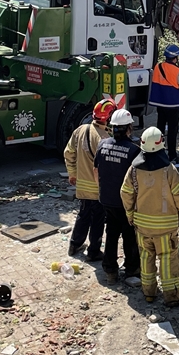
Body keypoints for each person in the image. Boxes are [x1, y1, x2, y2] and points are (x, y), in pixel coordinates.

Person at [121, 124, 179, 305]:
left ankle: (149, 292)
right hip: (165, 227)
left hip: (142, 226)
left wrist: (130, 213)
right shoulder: (169, 170)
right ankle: (171, 296)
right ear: (161, 144)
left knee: (146, 258)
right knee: (168, 258)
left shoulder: (134, 169)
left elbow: (126, 192)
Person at [95, 109, 142, 286]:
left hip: (106, 199)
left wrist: (102, 191)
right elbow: (137, 180)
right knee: (129, 236)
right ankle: (131, 270)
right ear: (129, 128)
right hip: (125, 203)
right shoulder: (133, 151)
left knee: (112, 234)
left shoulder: (102, 145)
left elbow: (96, 171)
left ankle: (110, 271)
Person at [64, 99, 114, 260]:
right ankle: (93, 251)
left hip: (82, 186)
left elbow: (68, 152)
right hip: (98, 188)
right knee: (98, 220)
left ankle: (74, 244)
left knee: (83, 215)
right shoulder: (105, 138)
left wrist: (72, 174)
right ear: (108, 117)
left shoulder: (81, 130)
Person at [149, 43, 179, 163]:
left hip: (160, 103)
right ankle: (172, 155)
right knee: (172, 131)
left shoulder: (158, 66)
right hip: (172, 105)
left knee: (160, 128)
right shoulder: (177, 71)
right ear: (175, 58)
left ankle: (157, 152)